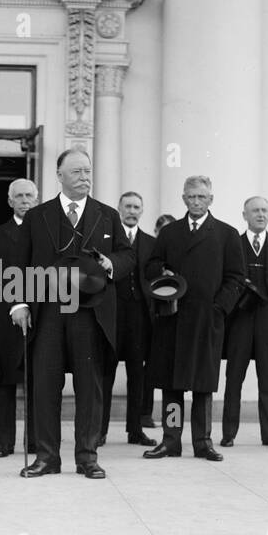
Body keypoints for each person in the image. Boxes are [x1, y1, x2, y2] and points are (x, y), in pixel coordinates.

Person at [11, 148, 133, 479]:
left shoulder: (107, 215)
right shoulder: (38, 217)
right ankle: (47, 457)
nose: (84, 177)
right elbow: (19, 262)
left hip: (90, 314)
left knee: (89, 388)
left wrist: (112, 265)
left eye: (88, 172)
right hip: (48, 310)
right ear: (59, 175)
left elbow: (127, 256)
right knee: (46, 386)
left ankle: (87, 457)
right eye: (77, 172)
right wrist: (19, 304)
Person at [143, 176, 244, 461]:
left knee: (202, 384)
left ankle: (202, 441)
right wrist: (163, 274)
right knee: (172, 384)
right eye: (191, 197)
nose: (196, 202)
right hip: (172, 317)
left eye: (202, 197)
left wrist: (218, 309)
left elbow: (236, 278)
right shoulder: (170, 233)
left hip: (206, 319)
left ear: (211, 199)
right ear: (184, 198)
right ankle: (171, 440)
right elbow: (150, 265)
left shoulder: (226, 234)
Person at [221, 196, 268, 448]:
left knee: (267, 380)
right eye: (255, 211)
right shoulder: (234, 244)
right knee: (234, 379)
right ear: (245, 215)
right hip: (240, 321)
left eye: (264, 210)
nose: (260, 215)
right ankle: (229, 433)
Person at [0, 178, 38, 458]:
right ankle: (5, 442)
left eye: (29, 196)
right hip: (4, 319)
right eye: (19, 196)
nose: (25, 201)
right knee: (5, 385)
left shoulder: (47, 233)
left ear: (36, 200)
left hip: (40, 318)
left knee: (38, 384)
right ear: (10, 201)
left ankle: (35, 441)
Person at [100, 191, 156, 447]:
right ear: (119, 209)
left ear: (141, 211)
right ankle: (99, 431)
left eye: (137, 207)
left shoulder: (151, 243)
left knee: (137, 374)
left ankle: (135, 430)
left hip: (139, 317)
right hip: (112, 314)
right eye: (128, 207)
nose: (132, 211)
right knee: (106, 374)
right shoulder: (108, 240)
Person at [140, 212, 178, 426]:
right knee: (150, 370)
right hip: (153, 316)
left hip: (175, 317)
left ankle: (171, 421)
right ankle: (145, 414)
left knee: (172, 376)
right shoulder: (151, 254)